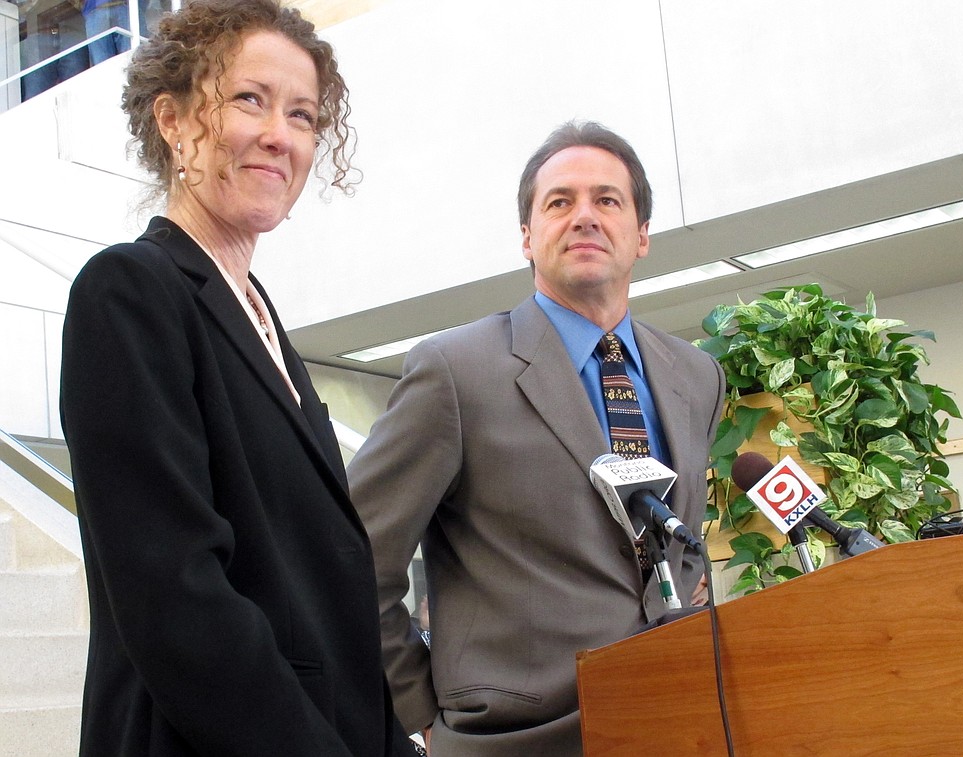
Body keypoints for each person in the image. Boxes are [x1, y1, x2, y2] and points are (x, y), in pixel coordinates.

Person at [59, 1, 412, 754]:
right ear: (174, 120)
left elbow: (318, 584)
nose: (279, 136)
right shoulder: (128, 291)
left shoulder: (256, 315)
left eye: (303, 115)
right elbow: (175, 595)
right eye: (250, 99)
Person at [349, 121, 725, 756]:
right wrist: (423, 710)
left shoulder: (695, 374)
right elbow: (353, 558)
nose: (584, 217)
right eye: (559, 202)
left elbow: (672, 540)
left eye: (608, 200)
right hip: (515, 737)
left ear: (641, 236)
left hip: (675, 718)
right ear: (527, 236)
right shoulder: (453, 372)